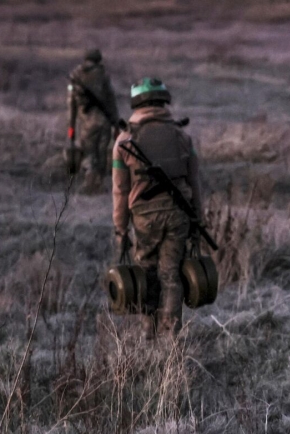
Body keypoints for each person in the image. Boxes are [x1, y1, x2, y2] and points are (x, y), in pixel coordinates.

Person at [112, 78, 202, 339]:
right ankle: (171, 338)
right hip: (179, 215)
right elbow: (194, 182)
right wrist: (199, 220)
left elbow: (120, 191)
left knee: (146, 273)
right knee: (171, 274)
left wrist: (120, 230)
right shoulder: (183, 137)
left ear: (137, 102)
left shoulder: (124, 140)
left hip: (144, 219)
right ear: (164, 101)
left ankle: (147, 335)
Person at [68, 49, 120, 194]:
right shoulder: (103, 75)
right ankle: (99, 183)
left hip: (86, 123)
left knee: (89, 153)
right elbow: (111, 101)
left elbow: (71, 104)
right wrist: (116, 124)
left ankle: (89, 182)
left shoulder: (75, 76)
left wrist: (71, 127)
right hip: (104, 122)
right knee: (102, 153)